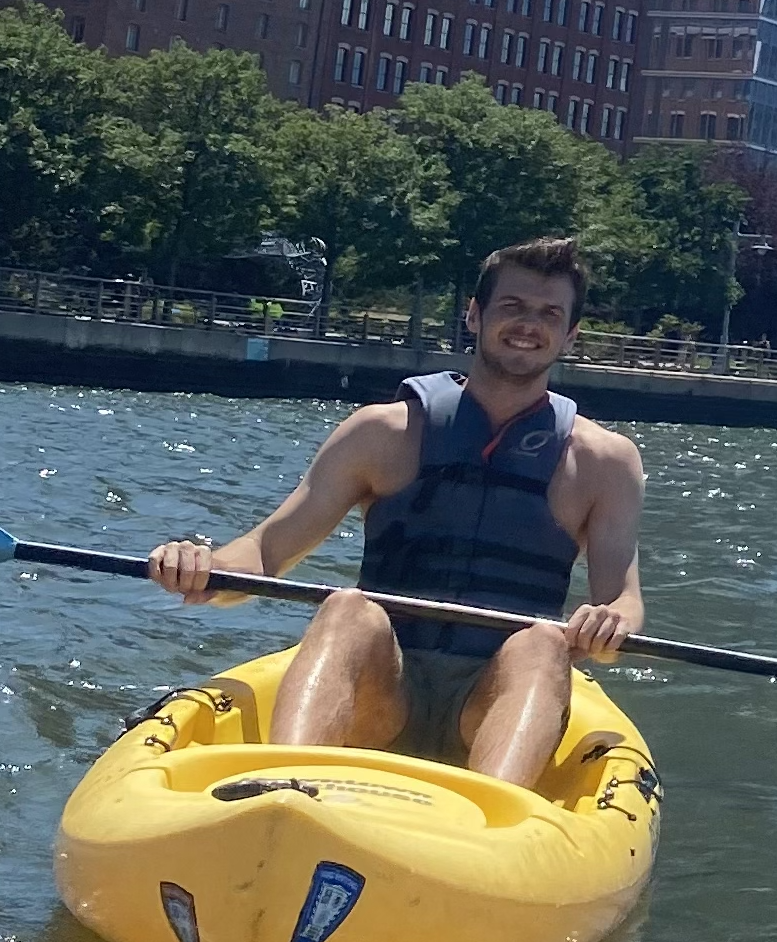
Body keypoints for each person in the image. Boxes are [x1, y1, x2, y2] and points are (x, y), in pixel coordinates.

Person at [146, 236, 645, 787]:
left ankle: (492, 827)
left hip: (492, 703)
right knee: (349, 609)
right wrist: (205, 567)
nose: (529, 325)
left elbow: (622, 597)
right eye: (512, 307)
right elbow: (267, 550)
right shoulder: (381, 433)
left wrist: (610, 623)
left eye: (550, 314)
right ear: (474, 316)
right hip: (385, 694)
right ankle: (278, 795)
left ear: (571, 334)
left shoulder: (606, 462)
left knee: (544, 642)